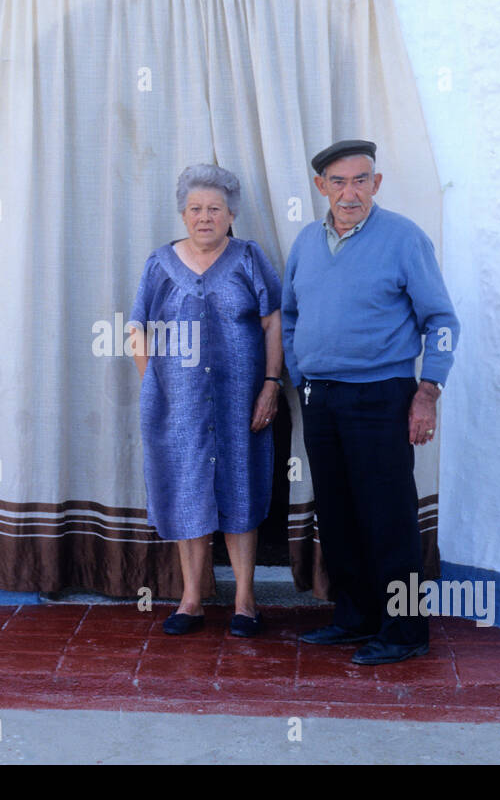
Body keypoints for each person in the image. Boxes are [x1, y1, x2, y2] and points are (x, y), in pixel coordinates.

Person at [281, 140, 460, 664]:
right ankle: (355, 618)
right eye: (338, 182)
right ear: (321, 188)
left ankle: (405, 632)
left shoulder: (404, 239)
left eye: (361, 180)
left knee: (389, 516)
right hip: (321, 399)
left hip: (382, 396)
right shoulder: (305, 244)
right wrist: (300, 374)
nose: (350, 191)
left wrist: (428, 391)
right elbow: (290, 315)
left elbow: (442, 321)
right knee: (337, 513)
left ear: (376, 184)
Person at [129, 164, 283, 637]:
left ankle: (245, 602)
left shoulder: (249, 257)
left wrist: (271, 384)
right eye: (195, 208)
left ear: (231, 213)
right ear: (182, 214)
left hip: (241, 405)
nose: (204, 217)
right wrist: (158, 385)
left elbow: (273, 321)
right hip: (180, 410)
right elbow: (138, 328)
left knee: (241, 491)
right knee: (187, 493)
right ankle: (191, 600)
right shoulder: (159, 263)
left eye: (215, 208)